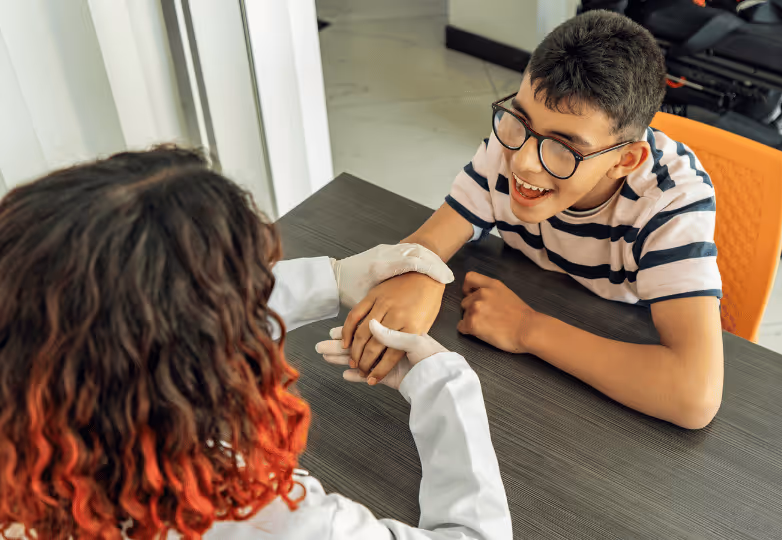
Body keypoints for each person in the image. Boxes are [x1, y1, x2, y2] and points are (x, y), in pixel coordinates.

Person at [0, 147, 511, 539]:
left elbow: (125, 315)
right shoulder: (249, 512)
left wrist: (329, 280)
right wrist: (445, 386)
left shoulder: (34, 422)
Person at [341, 11, 724, 430]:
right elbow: (432, 240)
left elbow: (694, 395)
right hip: (528, 293)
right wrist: (423, 271)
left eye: (563, 147)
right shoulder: (513, 141)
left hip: (607, 338)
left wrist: (527, 328)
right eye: (521, 118)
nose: (523, 163)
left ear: (624, 161)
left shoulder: (670, 203)